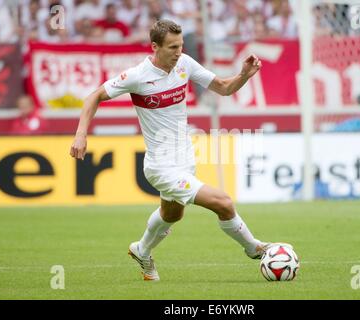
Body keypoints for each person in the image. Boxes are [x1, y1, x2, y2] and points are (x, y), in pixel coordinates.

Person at [70, 19, 291, 281]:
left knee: (172, 214)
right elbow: (94, 96)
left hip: (185, 157)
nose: (178, 52)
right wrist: (81, 134)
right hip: (161, 166)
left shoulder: (184, 64)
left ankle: (142, 250)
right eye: (172, 47)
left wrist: (243, 75)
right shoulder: (137, 76)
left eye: (181, 45)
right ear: (155, 47)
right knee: (223, 202)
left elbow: (222, 87)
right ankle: (253, 248)